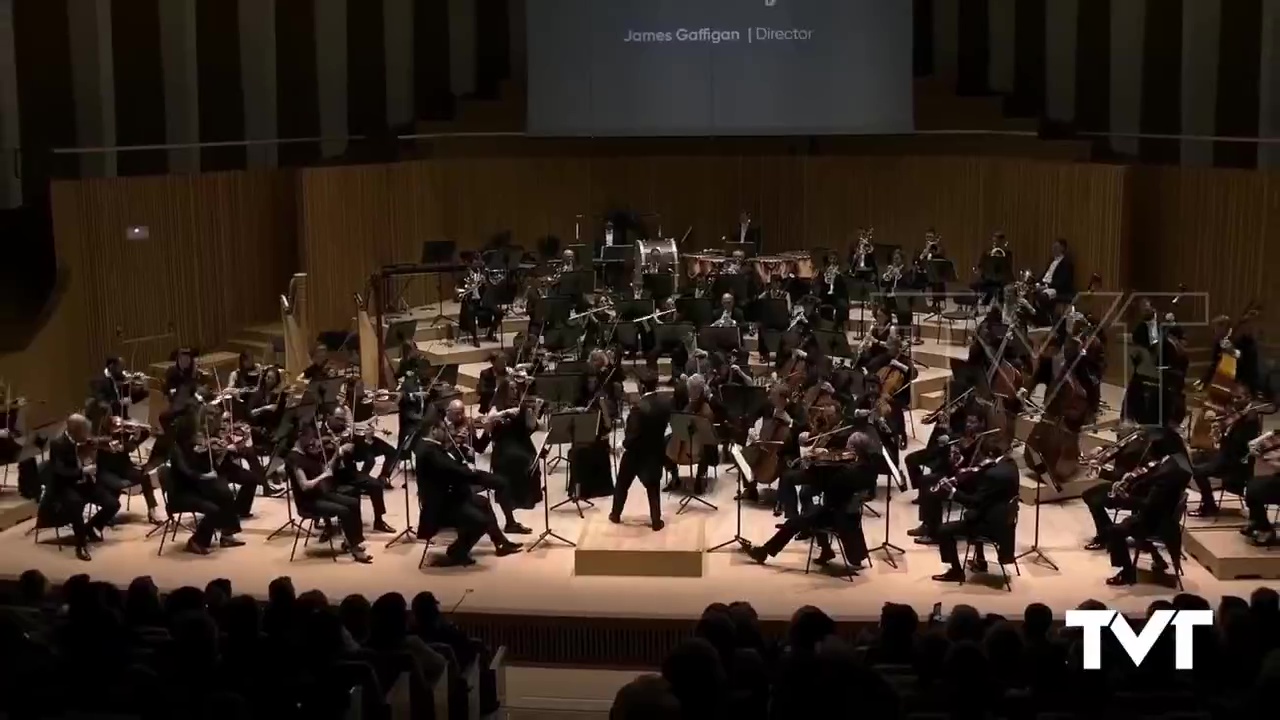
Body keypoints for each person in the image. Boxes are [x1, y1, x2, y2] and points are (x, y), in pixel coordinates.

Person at [745, 429, 874, 572]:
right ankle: (826, 550)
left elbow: (829, 489)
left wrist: (816, 469)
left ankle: (764, 552)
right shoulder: (869, 469)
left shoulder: (847, 473)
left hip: (837, 516)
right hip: (852, 516)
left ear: (854, 449)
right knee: (813, 509)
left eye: (849, 448)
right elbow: (869, 493)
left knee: (795, 522)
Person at [414, 423, 523, 566]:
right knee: (480, 521)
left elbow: (450, 467)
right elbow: (451, 469)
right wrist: (470, 471)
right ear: (433, 430)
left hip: (448, 497)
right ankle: (456, 551)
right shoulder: (429, 451)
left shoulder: (431, 447)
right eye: (443, 430)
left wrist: (466, 462)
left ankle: (501, 543)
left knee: (482, 502)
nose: (447, 434)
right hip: (440, 506)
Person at [1104, 433, 1193, 586]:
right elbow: (1152, 481)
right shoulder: (1172, 463)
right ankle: (1157, 558)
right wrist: (1134, 482)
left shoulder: (1167, 476)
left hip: (1157, 523)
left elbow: (1149, 506)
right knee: (1127, 523)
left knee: (1114, 531)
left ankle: (1126, 573)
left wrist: (1123, 499)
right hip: (1166, 518)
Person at [929, 442, 1019, 583]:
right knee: (970, 514)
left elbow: (974, 502)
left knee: (943, 530)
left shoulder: (992, 475)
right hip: (1003, 519)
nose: (979, 462)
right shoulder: (1009, 464)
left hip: (991, 525)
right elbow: (987, 491)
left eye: (980, 457)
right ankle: (980, 560)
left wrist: (953, 493)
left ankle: (955, 572)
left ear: (989, 455)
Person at [285, 426, 373, 564]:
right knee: (344, 510)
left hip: (321, 494)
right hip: (309, 501)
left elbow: (327, 469)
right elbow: (304, 485)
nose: (313, 441)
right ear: (301, 437)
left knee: (353, 502)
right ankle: (355, 548)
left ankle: (352, 541)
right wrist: (323, 477)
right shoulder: (294, 458)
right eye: (310, 438)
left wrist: (336, 453)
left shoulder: (308, 453)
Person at [45, 414, 120, 562]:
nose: (88, 435)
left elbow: (102, 441)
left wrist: (110, 446)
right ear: (74, 431)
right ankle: (81, 546)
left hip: (86, 484)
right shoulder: (58, 444)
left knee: (113, 504)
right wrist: (82, 472)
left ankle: (89, 528)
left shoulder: (84, 439)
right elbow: (59, 471)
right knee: (76, 505)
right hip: (66, 486)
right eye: (85, 431)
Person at [167, 422, 247, 556]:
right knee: (213, 508)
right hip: (181, 493)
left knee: (225, 496)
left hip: (194, 488)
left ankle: (227, 534)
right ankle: (196, 541)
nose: (198, 438)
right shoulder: (176, 450)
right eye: (195, 435)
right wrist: (205, 476)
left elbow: (204, 465)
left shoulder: (192, 447)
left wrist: (216, 453)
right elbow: (187, 472)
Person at [1190, 387, 1267, 518]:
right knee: (1198, 457)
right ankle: (1208, 503)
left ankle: (1209, 506)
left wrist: (1224, 433)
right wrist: (1220, 433)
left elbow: (1238, 445)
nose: (1235, 401)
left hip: (1234, 463)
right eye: (1234, 397)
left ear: (1249, 398)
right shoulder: (1240, 414)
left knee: (1197, 472)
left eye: (1239, 398)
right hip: (1228, 455)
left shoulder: (1250, 419)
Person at [610, 373, 671, 531]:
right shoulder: (665, 404)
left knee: (622, 484)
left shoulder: (638, 408)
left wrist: (621, 444)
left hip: (635, 454)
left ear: (642, 387)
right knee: (653, 487)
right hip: (655, 452)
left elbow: (632, 436)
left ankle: (615, 514)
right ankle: (656, 521)